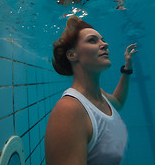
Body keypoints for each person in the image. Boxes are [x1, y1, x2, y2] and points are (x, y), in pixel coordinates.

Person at [45, 16, 137, 165]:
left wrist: (127, 69)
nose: (105, 44)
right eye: (92, 40)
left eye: (102, 39)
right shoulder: (69, 110)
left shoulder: (99, 96)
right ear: (72, 55)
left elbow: (118, 102)